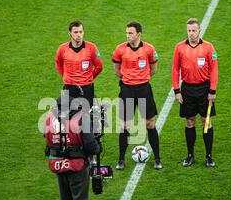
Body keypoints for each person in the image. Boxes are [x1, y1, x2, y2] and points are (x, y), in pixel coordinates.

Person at [44, 91, 101, 200]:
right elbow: (90, 144)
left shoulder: (50, 116)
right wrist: (98, 148)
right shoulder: (81, 117)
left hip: (57, 163)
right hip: (76, 165)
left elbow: (46, 137)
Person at [112, 21, 162, 170]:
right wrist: (129, 80)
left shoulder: (149, 49)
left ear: (139, 34)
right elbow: (116, 70)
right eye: (127, 33)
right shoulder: (120, 49)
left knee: (150, 124)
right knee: (125, 125)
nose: (128, 35)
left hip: (144, 89)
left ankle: (158, 159)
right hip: (127, 90)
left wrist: (141, 80)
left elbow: (153, 69)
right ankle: (121, 159)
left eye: (131, 33)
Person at [171, 18, 219, 167]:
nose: (191, 33)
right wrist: (176, 91)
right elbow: (174, 69)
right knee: (190, 121)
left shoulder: (209, 47)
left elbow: (214, 69)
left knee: (206, 122)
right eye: (189, 30)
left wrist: (212, 90)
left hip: (204, 89)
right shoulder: (179, 47)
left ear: (199, 30)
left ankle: (208, 156)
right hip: (187, 89)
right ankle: (190, 155)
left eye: (194, 30)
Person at [55, 20, 103, 110]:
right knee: (68, 117)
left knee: (86, 117)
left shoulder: (91, 48)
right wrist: (66, 76)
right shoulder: (62, 49)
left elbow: (99, 66)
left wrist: (89, 77)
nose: (78, 35)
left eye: (81, 32)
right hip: (69, 88)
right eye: (76, 32)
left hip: (86, 89)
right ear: (70, 33)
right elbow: (58, 63)